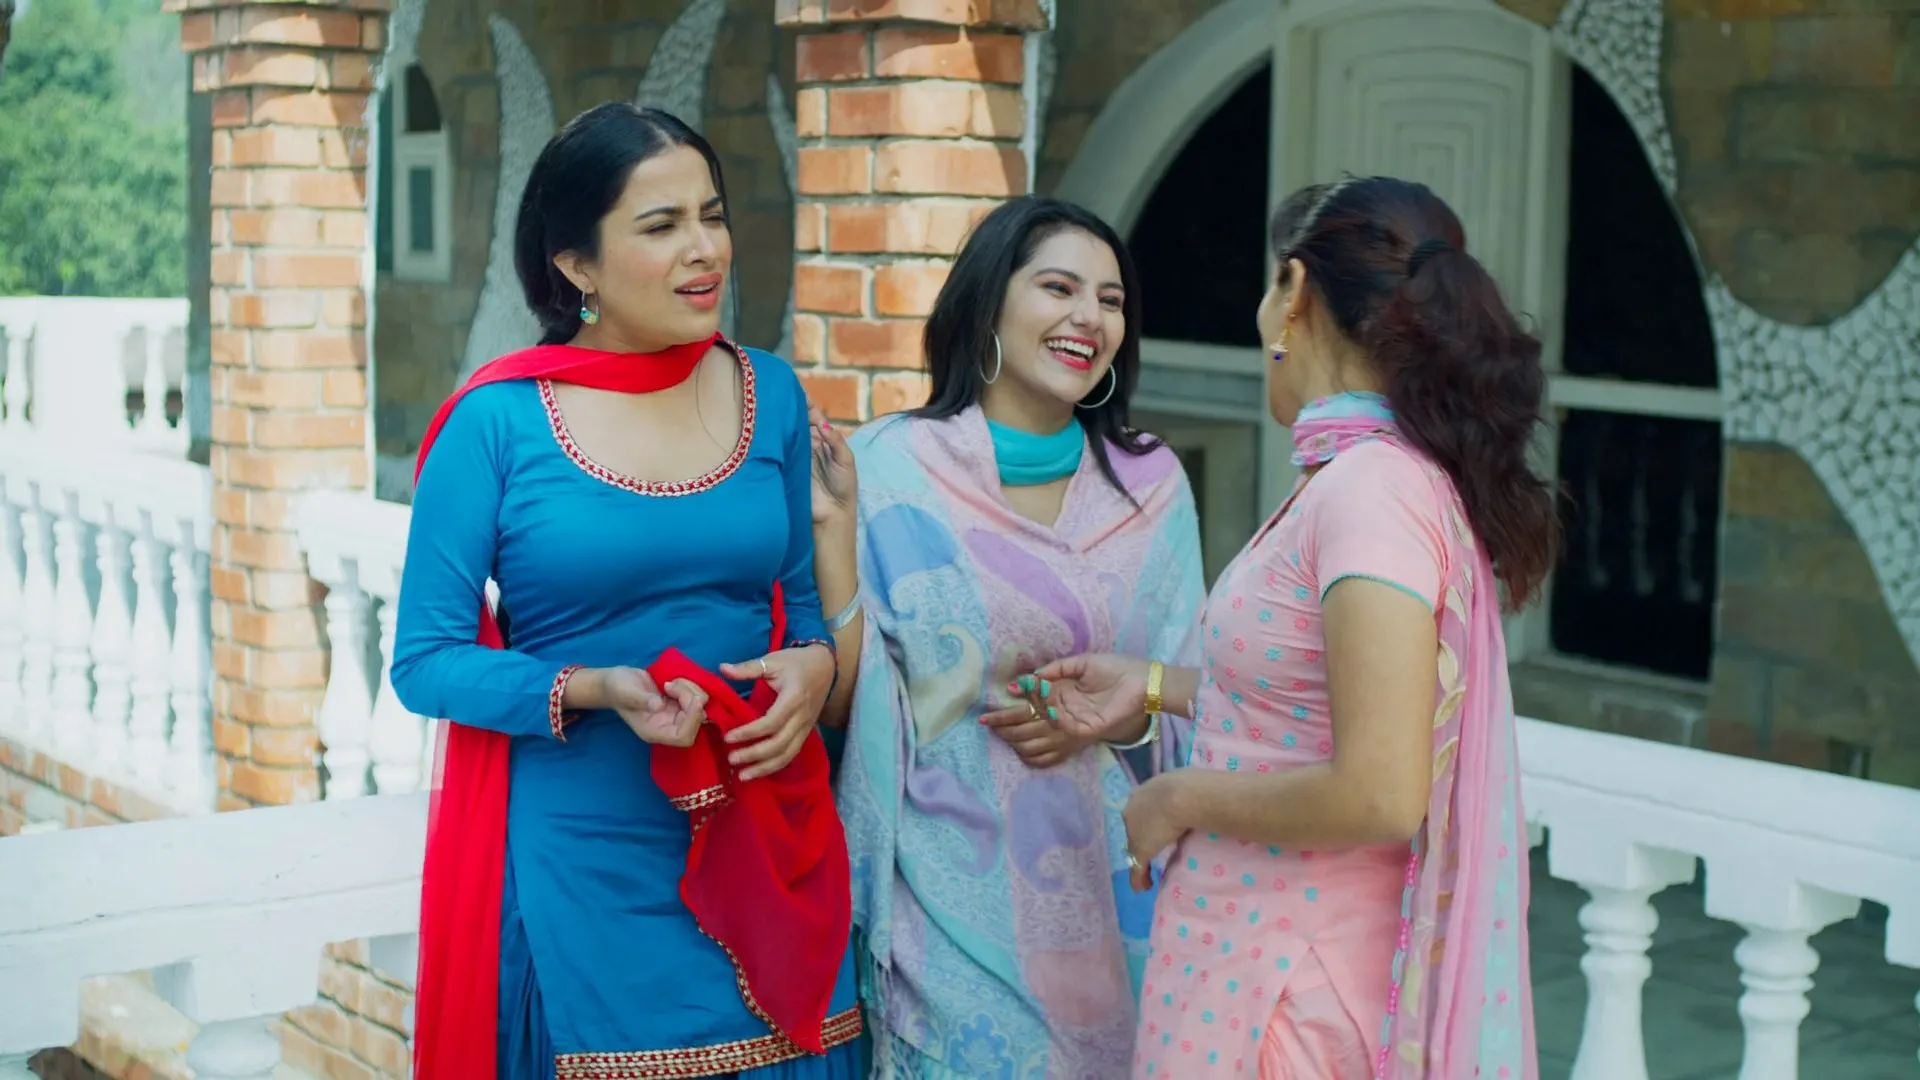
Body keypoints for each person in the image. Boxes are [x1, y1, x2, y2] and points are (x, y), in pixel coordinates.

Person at [1034, 176, 1550, 1079]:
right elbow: (1311, 702)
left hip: (1286, 994)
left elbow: (1379, 791)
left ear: (1296, 290)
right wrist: (1152, 687)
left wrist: (1178, 798)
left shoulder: (1372, 491)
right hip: (1253, 971)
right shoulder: (1363, 478)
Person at [389, 102, 863, 1080]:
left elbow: (799, 607)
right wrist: (595, 687)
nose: (705, 249)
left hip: (768, 839)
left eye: (712, 215)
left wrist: (814, 665)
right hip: (588, 862)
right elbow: (425, 662)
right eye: (661, 225)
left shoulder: (769, 391)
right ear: (577, 265)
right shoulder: (497, 422)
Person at [805, 195, 1208, 1077]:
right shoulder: (888, 470)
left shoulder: (1151, 485)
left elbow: (1194, 687)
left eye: (1110, 299)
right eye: (1059, 288)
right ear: (988, 303)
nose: (1088, 316)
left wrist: (1123, 716)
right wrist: (833, 540)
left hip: (1115, 896)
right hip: (944, 895)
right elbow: (847, 695)